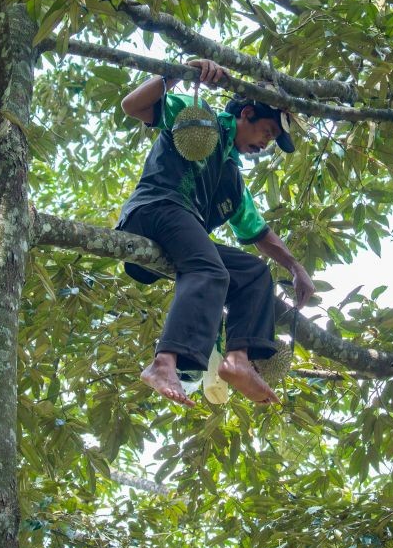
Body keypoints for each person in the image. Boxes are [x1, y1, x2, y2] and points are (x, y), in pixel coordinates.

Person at [117, 59, 315, 406]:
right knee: (210, 270)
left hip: (180, 233)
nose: (266, 144)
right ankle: (164, 362)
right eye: (267, 132)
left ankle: (238, 359)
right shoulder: (199, 116)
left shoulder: (231, 181)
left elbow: (259, 232)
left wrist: (296, 267)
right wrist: (181, 71)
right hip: (152, 210)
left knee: (253, 273)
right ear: (247, 113)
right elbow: (132, 106)